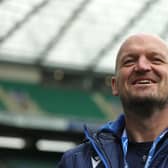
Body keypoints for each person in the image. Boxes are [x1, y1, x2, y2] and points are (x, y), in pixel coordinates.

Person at [58, 33, 168, 168]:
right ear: (115, 85)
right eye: (129, 61)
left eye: (156, 60)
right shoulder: (76, 162)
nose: (142, 66)